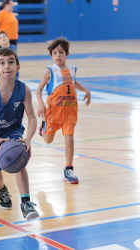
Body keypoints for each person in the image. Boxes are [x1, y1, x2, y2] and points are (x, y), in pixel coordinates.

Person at [0, 48, 39, 221]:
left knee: (20, 158)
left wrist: (27, 140)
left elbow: (32, 118)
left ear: (18, 66)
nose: (7, 66)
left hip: (12, 131)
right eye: (2, 63)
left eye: (11, 62)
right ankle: (2, 190)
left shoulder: (24, 89)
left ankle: (26, 202)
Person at [36, 37, 91, 184]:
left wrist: (86, 91)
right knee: (48, 140)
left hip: (70, 112)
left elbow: (73, 82)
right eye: (54, 53)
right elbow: (39, 89)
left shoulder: (72, 69)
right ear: (51, 56)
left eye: (61, 52)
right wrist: (41, 104)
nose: (58, 55)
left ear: (67, 53)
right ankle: (43, 128)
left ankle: (68, 170)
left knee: (69, 141)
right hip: (54, 113)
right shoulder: (50, 71)